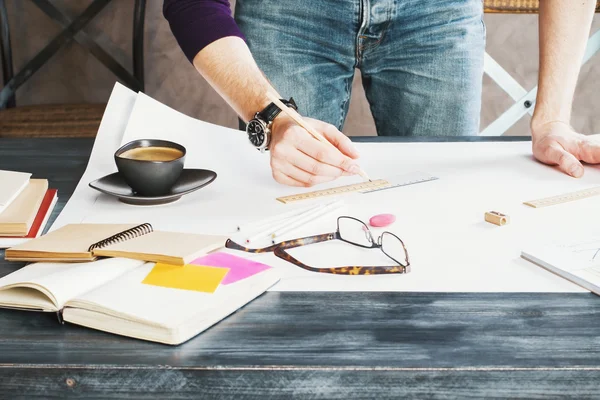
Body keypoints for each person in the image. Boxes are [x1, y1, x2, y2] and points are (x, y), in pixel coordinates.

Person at [163, 0, 599, 186]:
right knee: (286, 209)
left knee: (439, 206)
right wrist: (269, 114)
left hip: (436, 13)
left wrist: (552, 119)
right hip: (289, 12)